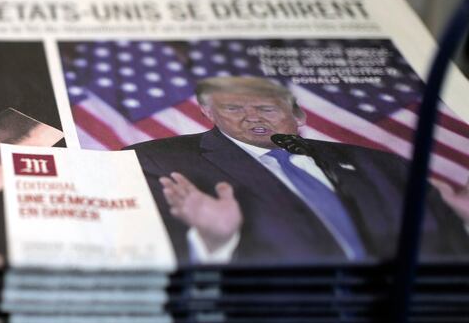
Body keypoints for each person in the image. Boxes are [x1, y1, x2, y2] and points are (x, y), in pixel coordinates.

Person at [127, 76, 469, 264]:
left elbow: (449, 247)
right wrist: (213, 241)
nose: (252, 117)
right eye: (233, 108)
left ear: (300, 117)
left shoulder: (381, 165)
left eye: (266, 108)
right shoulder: (156, 161)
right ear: (209, 114)